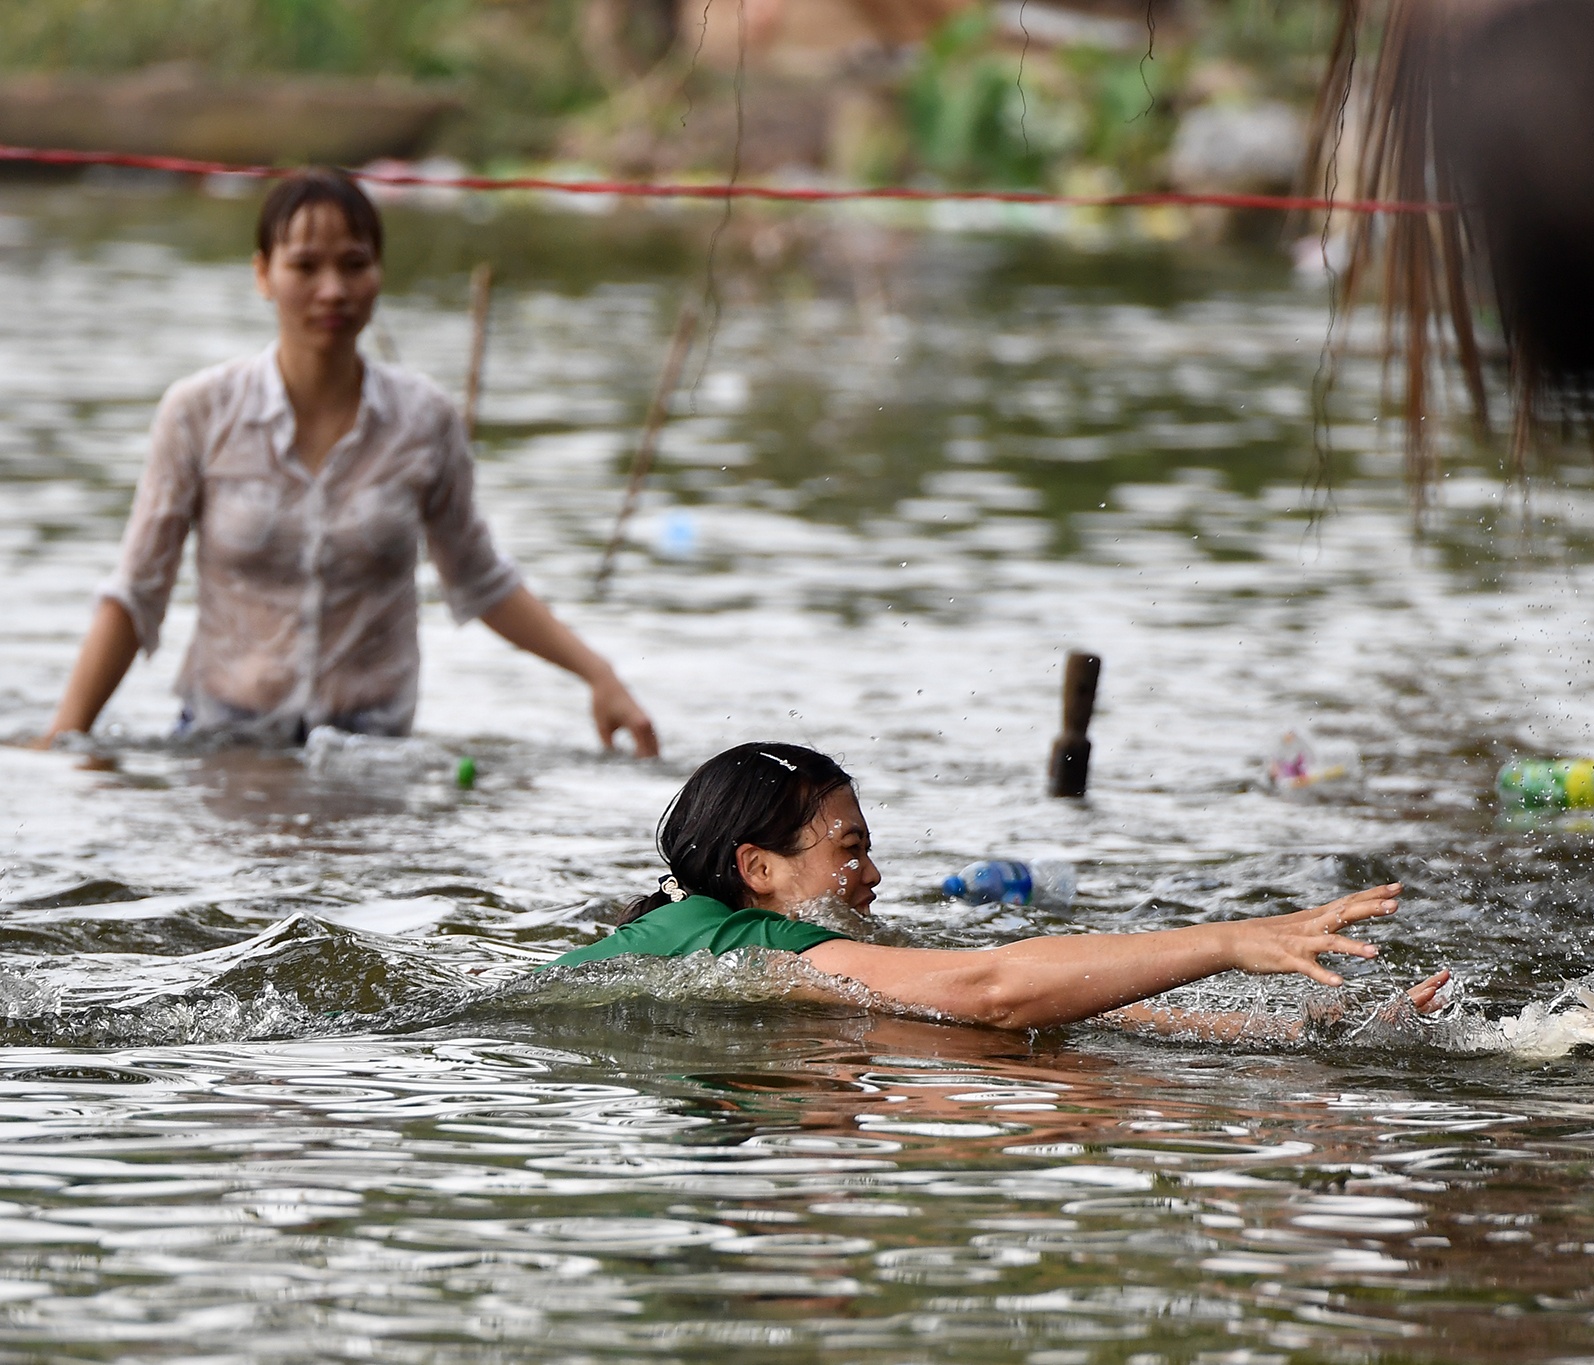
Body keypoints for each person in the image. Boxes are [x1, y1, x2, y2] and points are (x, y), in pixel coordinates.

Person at [34, 168, 658, 754]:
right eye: (305, 266)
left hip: (371, 751)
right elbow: (136, 592)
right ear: (263, 275)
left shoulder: (424, 421)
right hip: (224, 742)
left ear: (379, 273)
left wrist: (598, 674)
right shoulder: (199, 412)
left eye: (353, 264)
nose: (332, 290)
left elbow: (480, 579)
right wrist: (64, 738)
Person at [544, 741, 1449, 1033]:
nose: (872, 875)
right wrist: (1234, 939)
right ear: (759, 869)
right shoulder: (755, 944)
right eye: (850, 849)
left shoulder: (728, 935)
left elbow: (1051, 995)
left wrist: (1294, 1028)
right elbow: (994, 989)